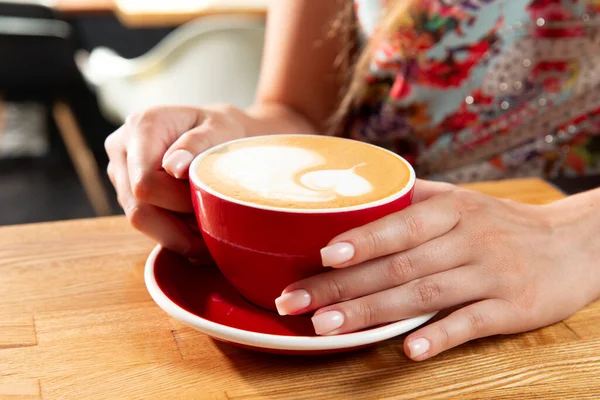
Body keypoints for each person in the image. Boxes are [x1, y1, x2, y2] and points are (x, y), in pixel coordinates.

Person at [105, 0, 600, 361]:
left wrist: (576, 233)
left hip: (562, 273)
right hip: (365, 261)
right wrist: (232, 134)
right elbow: (298, 109)